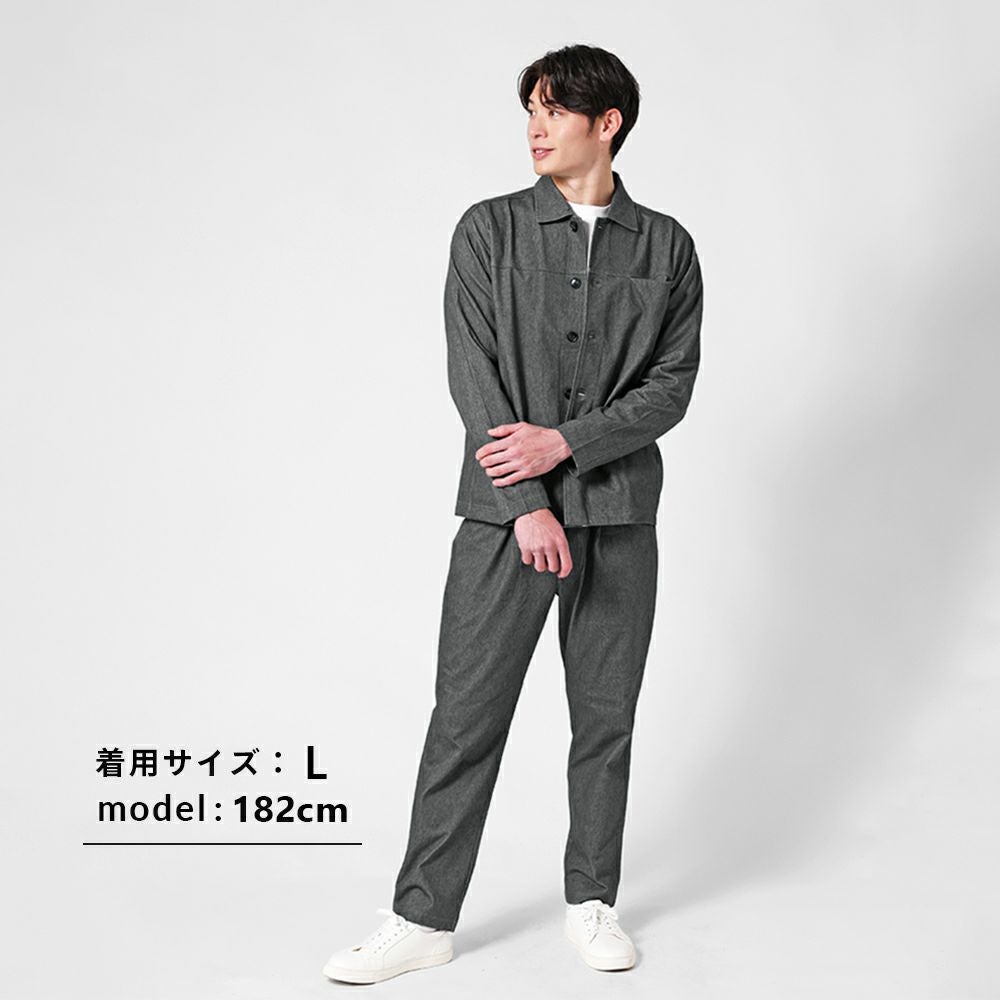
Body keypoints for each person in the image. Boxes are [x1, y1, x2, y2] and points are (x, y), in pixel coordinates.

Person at [322, 42, 703, 985]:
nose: (535, 127)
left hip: (619, 514)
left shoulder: (667, 247)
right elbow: (474, 373)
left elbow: (670, 388)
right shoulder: (488, 230)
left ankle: (592, 901)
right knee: (467, 716)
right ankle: (422, 918)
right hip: (505, 520)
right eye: (529, 109)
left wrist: (565, 444)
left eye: (553, 109)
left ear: (606, 123)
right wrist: (528, 500)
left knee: (605, 719)